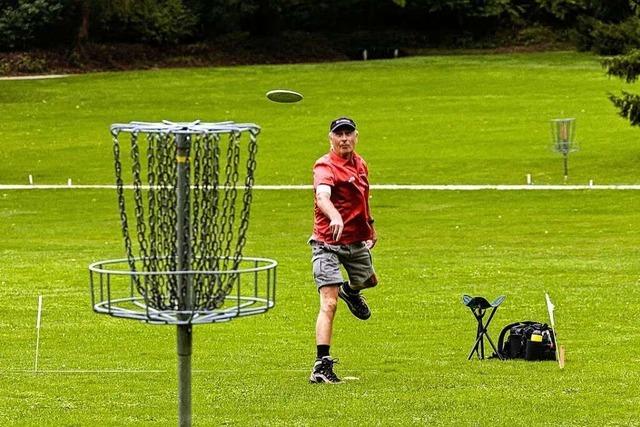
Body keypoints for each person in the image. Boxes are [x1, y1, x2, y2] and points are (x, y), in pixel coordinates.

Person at [308, 116, 378, 384]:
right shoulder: (325, 166)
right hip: (327, 242)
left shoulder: (360, 164)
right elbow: (323, 196)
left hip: (355, 241)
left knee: (368, 281)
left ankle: (352, 291)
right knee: (329, 302)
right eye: (339, 134)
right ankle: (321, 365)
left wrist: (370, 227)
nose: (344, 138)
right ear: (331, 138)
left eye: (349, 133)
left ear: (356, 136)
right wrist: (334, 216)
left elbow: (362, 199)